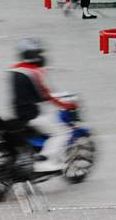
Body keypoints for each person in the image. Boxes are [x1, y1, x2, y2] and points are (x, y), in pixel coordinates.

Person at [9, 39, 78, 173]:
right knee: (63, 132)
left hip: (19, 113)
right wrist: (70, 104)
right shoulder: (35, 72)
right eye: (40, 54)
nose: (42, 56)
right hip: (33, 116)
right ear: (34, 55)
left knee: (51, 122)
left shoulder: (15, 70)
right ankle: (46, 161)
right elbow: (49, 94)